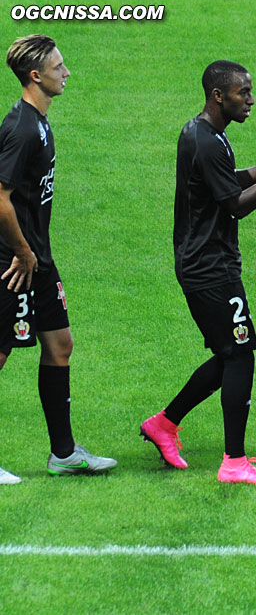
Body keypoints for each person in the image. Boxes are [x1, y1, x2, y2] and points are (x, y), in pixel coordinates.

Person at [139, 60, 256, 485]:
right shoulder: (205, 140)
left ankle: (164, 424)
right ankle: (233, 462)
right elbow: (236, 205)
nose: (251, 99)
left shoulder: (207, 135)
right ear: (219, 96)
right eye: (244, 92)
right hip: (209, 267)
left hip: (206, 262)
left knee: (230, 355)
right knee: (239, 354)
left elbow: (226, 181)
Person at [0, 34, 115, 484]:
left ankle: (64, 454)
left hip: (37, 259)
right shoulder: (22, 128)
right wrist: (24, 251)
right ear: (35, 76)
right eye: (58, 67)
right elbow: (1, 198)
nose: (66, 73)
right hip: (13, 261)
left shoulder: (41, 122)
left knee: (60, 345)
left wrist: (35, 254)